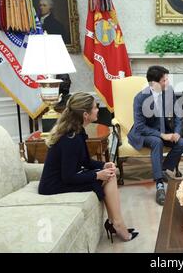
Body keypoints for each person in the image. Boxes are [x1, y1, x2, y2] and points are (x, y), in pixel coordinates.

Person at [38, 92, 138, 243]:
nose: (98, 109)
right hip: (53, 185)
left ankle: (114, 223)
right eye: (95, 107)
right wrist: (97, 175)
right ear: (85, 114)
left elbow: (85, 161)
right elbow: (68, 177)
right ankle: (117, 224)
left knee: (109, 173)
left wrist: (103, 165)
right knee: (108, 177)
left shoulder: (77, 132)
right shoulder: (70, 139)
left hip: (63, 178)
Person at [127, 66, 183, 206]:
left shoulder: (169, 92)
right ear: (153, 83)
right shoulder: (140, 98)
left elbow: (178, 115)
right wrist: (162, 135)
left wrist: (177, 132)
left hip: (164, 130)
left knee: (182, 143)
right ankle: (159, 185)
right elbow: (140, 126)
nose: (167, 83)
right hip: (143, 133)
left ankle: (163, 169)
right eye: (164, 80)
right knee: (157, 142)